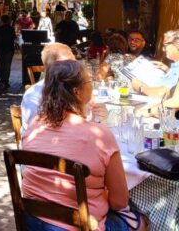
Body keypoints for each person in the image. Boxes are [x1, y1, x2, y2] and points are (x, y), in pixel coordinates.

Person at [22, 60, 146, 231]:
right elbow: (119, 202)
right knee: (143, 221)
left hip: (32, 220)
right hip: (79, 225)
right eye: (89, 81)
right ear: (77, 91)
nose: (92, 85)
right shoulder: (99, 136)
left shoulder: (35, 124)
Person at [20, 42, 75, 135]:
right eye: (71, 64)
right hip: (40, 145)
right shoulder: (34, 96)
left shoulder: (72, 88)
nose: (75, 68)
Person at [131, 29, 179, 96]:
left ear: (177, 45)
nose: (163, 49)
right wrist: (168, 70)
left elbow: (163, 93)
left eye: (165, 45)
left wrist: (140, 87)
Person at [0, 14, 16, 90]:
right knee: (7, 65)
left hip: (1, 48)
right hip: (9, 48)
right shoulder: (11, 29)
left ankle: (2, 79)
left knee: (2, 64)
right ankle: (6, 81)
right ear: (8, 20)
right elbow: (13, 38)